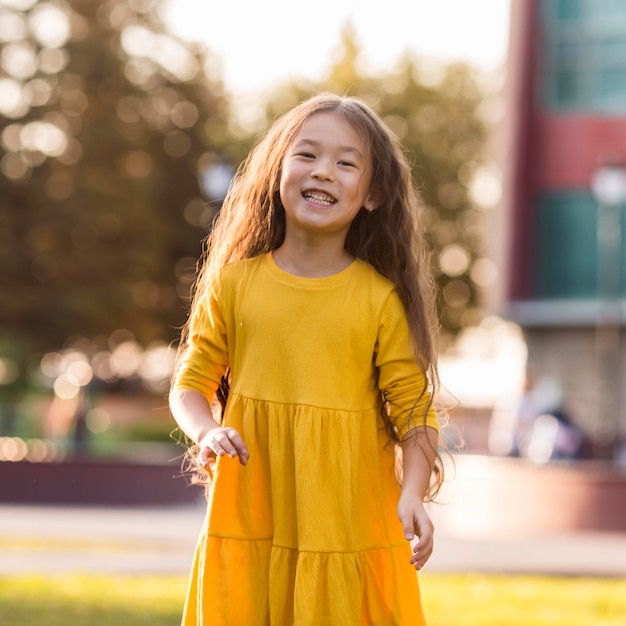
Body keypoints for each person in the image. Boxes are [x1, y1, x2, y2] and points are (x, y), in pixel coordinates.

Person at [169, 93, 444, 626]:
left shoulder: (377, 299)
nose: (324, 172)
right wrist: (205, 431)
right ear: (277, 171)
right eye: (308, 155)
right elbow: (190, 382)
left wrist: (413, 493)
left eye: (346, 163)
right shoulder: (233, 285)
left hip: (345, 523)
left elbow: (415, 413)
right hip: (252, 513)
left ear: (373, 194)